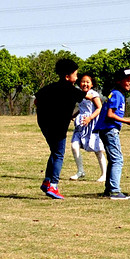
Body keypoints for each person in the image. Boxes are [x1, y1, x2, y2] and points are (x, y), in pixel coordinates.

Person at [33, 57, 93, 200]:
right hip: (58, 128)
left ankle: (47, 181)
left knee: (54, 152)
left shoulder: (48, 88)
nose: (77, 77)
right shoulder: (72, 90)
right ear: (67, 76)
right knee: (59, 154)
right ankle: (53, 185)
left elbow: (36, 100)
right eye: (76, 74)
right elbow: (89, 97)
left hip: (44, 124)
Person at [94, 68, 130, 200]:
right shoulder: (116, 94)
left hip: (108, 129)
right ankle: (114, 191)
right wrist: (126, 120)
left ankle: (109, 189)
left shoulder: (116, 94)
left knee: (114, 159)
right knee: (117, 159)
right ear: (119, 81)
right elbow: (110, 114)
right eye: (127, 80)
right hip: (109, 129)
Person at [68, 73, 107, 183]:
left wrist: (90, 118)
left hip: (92, 125)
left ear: (92, 84)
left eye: (87, 82)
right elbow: (82, 109)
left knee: (98, 150)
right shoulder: (80, 94)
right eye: (83, 81)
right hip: (81, 124)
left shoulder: (93, 94)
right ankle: (80, 171)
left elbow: (99, 108)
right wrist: (74, 115)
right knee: (74, 146)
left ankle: (104, 174)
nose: (85, 84)